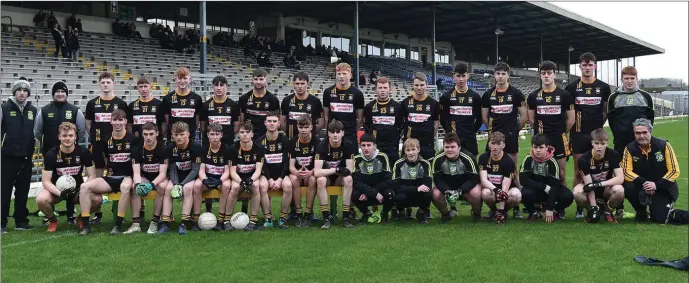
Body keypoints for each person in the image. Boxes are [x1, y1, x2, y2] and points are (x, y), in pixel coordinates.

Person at [34, 80, 86, 225]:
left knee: (70, 181)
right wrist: (49, 145)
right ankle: (49, 214)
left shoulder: (75, 110)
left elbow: (81, 131)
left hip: (70, 154)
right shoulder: (44, 111)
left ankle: (71, 215)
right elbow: (38, 132)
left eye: (63, 91)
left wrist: (70, 144)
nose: (60, 94)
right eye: (57, 92)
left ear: (67, 94)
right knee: (51, 183)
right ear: (53, 94)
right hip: (51, 155)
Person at [481, 61, 527, 219]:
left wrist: (514, 131)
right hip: (494, 139)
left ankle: (516, 206)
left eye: (503, 73)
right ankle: (494, 206)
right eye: (498, 73)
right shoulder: (488, 94)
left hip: (511, 138)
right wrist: (494, 132)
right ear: (494, 75)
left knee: (513, 171)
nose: (500, 76)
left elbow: (524, 116)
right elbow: (485, 117)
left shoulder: (516, 93)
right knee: (492, 170)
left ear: (508, 75)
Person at [78, 109, 135, 235]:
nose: (117, 123)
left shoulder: (133, 139)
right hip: (110, 178)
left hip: (126, 177)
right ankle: (85, 225)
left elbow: (135, 163)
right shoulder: (105, 139)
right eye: (115, 120)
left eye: (120, 120)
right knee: (84, 187)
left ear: (125, 121)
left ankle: (117, 226)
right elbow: (104, 159)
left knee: (125, 188)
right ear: (110, 121)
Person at [84, 72, 128, 224]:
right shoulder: (92, 103)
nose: (105, 85)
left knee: (116, 175)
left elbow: (124, 125)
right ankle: (98, 212)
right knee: (97, 178)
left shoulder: (121, 103)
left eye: (108, 82)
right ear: (99, 84)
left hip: (115, 146)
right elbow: (88, 124)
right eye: (103, 82)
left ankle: (117, 210)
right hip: (97, 145)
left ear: (113, 84)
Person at [565, 52, 612, 193]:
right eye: (584, 65)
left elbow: (605, 111)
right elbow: (569, 114)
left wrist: (598, 127)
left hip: (597, 136)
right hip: (578, 134)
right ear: (580, 67)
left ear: (595, 66)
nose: (587, 68)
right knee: (579, 171)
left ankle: (599, 202)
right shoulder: (572, 88)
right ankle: (579, 204)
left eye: (590, 65)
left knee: (600, 170)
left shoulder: (603, 87)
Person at [322, 63, 364, 216]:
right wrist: (332, 131)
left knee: (349, 173)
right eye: (339, 73)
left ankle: (350, 208)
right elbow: (326, 116)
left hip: (350, 138)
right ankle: (331, 209)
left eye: (344, 73)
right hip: (332, 137)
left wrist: (351, 132)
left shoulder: (357, 94)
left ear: (351, 75)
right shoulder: (328, 92)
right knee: (331, 171)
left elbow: (360, 118)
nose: (341, 76)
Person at [37, 122, 95, 232]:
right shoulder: (51, 155)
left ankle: (81, 218)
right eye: (64, 136)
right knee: (41, 199)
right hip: (57, 191)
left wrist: (84, 187)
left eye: (70, 136)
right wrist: (60, 193)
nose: (67, 138)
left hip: (77, 191)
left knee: (97, 199)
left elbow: (92, 175)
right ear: (59, 137)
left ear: (75, 137)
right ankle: (53, 220)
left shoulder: (84, 152)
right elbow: (45, 181)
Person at [622, 118, 680, 223]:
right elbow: (626, 172)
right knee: (628, 185)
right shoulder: (629, 149)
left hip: (663, 188)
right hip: (642, 185)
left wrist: (656, 185)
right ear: (634, 133)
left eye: (644, 132)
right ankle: (641, 212)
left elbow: (674, 171)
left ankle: (669, 210)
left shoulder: (664, 145)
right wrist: (645, 183)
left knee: (659, 219)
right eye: (638, 133)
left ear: (650, 131)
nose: (641, 136)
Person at [526, 60, 575, 183]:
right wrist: (540, 133)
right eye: (543, 73)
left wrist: (561, 132)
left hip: (559, 138)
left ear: (554, 74)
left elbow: (571, 120)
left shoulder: (565, 95)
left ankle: (561, 199)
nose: (546, 76)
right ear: (540, 75)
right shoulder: (533, 96)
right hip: (541, 139)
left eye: (549, 73)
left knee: (561, 173)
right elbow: (531, 119)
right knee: (540, 173)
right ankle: (543, 201)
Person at [1, 79, 38, 232]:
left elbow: (36, 132)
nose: (22, 93)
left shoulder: (33, 111)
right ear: (14, 92)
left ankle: (21, 221)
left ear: (28, 94)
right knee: (4, 191)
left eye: (24, 91)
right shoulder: (4, 108)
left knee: (23, 190)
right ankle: (1, 222)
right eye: (19, 90)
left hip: (26, 157)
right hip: (7, 157)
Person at [572, 129, 624, 223]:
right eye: (596, 143)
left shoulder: (613, 154)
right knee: (577, 192)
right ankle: (593, 210)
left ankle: (608, 211)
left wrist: (600, 184)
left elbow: (620, 178)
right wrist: (593, 206)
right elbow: (589, 185)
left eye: (602, 143)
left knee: (619, 190)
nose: (599, 147)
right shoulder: (584, 159)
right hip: (590, 188)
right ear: (592, 143)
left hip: (606, 188)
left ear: (607, 143)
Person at [160, 121, 203, 234]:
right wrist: (175, 184)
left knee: (187, 189)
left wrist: (182, 184)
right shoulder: (170, 148)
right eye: (176, 134)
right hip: (177, 177)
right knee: (168, 189)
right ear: (172, 135)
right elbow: (173, 168)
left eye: (182, 134)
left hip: (191, 176)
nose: (179, 137)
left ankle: (184, 222)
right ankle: (165, 222)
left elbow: (195, 170)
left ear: (188, 134)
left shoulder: (196, 147)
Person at [519, 134, 574, 223]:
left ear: (547, 148)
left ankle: (555, 211)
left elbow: (555, 185)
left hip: (551, 190)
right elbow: (523, 180)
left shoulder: (553, 161)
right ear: (532, 147)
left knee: (568, 196)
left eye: (541, 147)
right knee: (523, 194)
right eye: (535, 147)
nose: (538, 150)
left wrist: (550, 208)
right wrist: (543, 187)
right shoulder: (528, 159)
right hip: (536, 189)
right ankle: (534, 212)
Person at [314, 120, 357, 229]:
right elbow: (317, 172)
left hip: (339, 178)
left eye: (338, 132)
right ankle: (326, 217)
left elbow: (349, 169)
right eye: (332, 132)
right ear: (328, 133)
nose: (335, 135)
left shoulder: (348, 144)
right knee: (320, 180)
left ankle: (346, 217)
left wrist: (341, 171)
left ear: (342, 133)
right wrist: (336, 169)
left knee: (348, 179)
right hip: (327, 176)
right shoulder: (322, 145)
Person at [431, 133, 482, 223]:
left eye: (452, 147)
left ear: (459, 147)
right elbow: (437, 180)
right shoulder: (438, 158)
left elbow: (474, 179)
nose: (449, 150)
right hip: (448, 188)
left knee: (477, 192)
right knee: (435, 193)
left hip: (465, 188)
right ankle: (446, 214)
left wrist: (459, 191)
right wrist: (446, 190)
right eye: (446, 147)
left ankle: (476, 214)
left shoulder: (468, 158)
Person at [130, 123, 169, 234]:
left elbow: (162, 174)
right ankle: (135, 224)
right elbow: (136, 173)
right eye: (145, 134)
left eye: (151, 134)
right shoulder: (137, 149)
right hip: (145, 176)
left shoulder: (163, 148)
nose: (148, 137)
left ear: (157, 134)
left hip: (160, 178)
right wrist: (138, 184)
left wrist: (152, 185)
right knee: (134, 188)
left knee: (161, 187)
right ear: (142, 134)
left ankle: (154, 222)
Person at [607, 66, 654, 156]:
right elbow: (611, 120)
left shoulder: (646, 96)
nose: (629, 81)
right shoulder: (613, 97)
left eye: (632, 78)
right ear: (622, 79)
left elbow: (650, 119)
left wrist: (644, 135)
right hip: (621, 142)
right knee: (621, 168)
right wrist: (619, 133)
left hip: (641, 140)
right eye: (626, 78)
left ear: (637, 79)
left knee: (641, 168)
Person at [439, 62, 483, 156]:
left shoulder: (475, 97)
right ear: (454, 76)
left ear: (468, 76)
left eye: (463, 75)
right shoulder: (446, 97)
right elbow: (443, 119)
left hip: (469, 139)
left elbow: (480, 118)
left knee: (472, 167)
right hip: (453, 140)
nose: (461, 79)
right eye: (458, 76)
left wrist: (472, 131)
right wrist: (450, 133)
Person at [196, 122, 234, 231]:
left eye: (217, 134)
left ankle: (221, 220)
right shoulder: (203, 149)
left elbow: (227, 171)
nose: (214, 137)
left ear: (221, 135)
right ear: (208, 135)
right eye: (212, 134)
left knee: (226, 186)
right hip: (207, 177)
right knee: (196, 186)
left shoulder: (227, 149)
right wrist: (204, 180)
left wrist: (219, 181)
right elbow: (201, 169)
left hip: (221, 178)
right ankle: (196, 219)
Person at [256, 112, 292, 229]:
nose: (272, 124)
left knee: (288, 186)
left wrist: (281, 178)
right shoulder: (260, 141)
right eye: (269, 121)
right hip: (266, 174)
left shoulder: (284, 140)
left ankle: (282, 218)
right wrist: (270, 179)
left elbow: (286, 162)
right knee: (262, 186)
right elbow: (262, 164)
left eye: (274, 121)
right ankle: (268, 218)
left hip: (281, 173)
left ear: (279, 124)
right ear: (265, 123)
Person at [227, 122, 265, 231]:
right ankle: (226, 220)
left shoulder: (259, 148)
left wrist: (251, 180)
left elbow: (258, 170)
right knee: (234, 188)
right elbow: (232, 172)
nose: (245, 135)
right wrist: (241, 182)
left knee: (256, 186)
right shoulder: (232, 148)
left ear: (252, 134)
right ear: (238, 134)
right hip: (238, 176)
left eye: (247, 132)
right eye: (242, 132)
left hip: (252, 175)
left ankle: (253, 220)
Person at [478, 132, 521, 224]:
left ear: (503, 145)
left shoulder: (509, 161)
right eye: (493, 143)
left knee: (516, 195)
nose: (495, 147)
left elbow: (505, 187)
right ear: (489, 144)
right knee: (485, 193)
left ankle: (502, 211)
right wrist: (496, 190)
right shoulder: (483, 158)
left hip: (506, 190)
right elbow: (483, 180)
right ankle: (493, 211)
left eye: (498, 144)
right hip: (492, 189)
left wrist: (501, 211)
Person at [351, 133, 393, 224]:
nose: (366, 148)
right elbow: (356, 182)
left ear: (374, 146)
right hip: (365, 192)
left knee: (390, 193)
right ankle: (366, 213)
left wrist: (375, 192)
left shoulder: (382, 157)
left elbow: (389, 180)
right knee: (354, 194)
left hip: (380, 191)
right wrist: (373, 193)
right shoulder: (357, 159)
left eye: (369, 145)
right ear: (360, 146)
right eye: (363, 145)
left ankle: (384, 214)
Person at [287, 116, 319, 227]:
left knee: (313, 179)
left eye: (306, 127)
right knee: (294, 179)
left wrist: (310, 172)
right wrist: (297, 173)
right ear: (297, 128)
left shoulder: (316, 141)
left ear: (311, 127)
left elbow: (319, 164)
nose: (303, 130)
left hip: (310, 173)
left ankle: (308, 213)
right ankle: (298, 213)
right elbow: (290, 166)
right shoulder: (292, 142)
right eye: (301, 127)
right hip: (297, 173)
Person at [363, 76, 404, 162]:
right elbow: (367, 127)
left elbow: (401, 126)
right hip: (376, 148)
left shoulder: (397, 107)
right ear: (376, 89)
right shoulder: (369, 107)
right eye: (380, 87)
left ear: (390, 89)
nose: (382, 90)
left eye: (385, 87)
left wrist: (395, 138)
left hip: (392, 148)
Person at [391, 138, 433, 223]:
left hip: (418, 195)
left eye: (413, 149)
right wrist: (416, 189)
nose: (411, 153)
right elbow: (395, 186)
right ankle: (401, 212)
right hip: (405, 194)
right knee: (398, 196)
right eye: (408, 150)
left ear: (418, 150)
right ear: (404, 151)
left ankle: (421, 213)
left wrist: (418, 189)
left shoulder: (425, 164)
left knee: (429, 193)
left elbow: (428, 185)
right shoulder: (398, 164)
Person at [401, 72, 440, 161]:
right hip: (409, 145)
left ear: (426, 85)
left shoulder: (433, 103)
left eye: (422, 85)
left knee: (427, 172)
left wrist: (430, 135)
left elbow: (436, 122)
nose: (419, 88)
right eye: (417, 85)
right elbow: (401, 122)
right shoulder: (405, 102)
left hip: (427, 145)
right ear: (413, 85)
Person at [161, 67, 204, 141]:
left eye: (185, 78)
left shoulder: (197, 98)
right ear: (175, 80)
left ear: (190, 80)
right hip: (173, 139)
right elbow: (167, 121)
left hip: (190, 139)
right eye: (180, 78)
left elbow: (197, 121)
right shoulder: (167, 98)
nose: (182, 81)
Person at [238, 68, 280, 141]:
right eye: (256, 79)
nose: (258, 82)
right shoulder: (244, 98)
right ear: (252, 80)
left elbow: (276, 121)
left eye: (261, 79)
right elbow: (241, 121)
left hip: (267, 136)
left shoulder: (273, 99)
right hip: (249, 136)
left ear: (266, 80)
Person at [280, 71, 323, 139]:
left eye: (302, 83)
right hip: (291, 140)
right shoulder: (287, 100)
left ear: (308, 84)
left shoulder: (315, 101)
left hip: (309, 140)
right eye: (297, 83)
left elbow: (321, 124)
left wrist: (312, 134)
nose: (300, 86)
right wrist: (290, 134)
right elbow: (282, 122)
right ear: (293, 84)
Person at [201, 75, 240, 147]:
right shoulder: (205, 105)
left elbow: (236, 126)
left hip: (227, 143)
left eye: (221, 85)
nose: (219, 88)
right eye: (216, 85)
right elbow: (202, 126)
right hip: (209, 143)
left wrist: (227, 135)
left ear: (226, 87)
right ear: (213, 87)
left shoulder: (233, 105)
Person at [128, 76, 165, 140]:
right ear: (137, 88)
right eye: (141, 87)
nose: (143, 89)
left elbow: (164, 124)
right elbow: (129, 124)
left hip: (155, 141)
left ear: (151, 86)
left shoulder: (159, 104)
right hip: (137, 142)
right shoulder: (132, 105)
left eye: (145, 86)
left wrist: (159, 137)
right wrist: (133, 137)